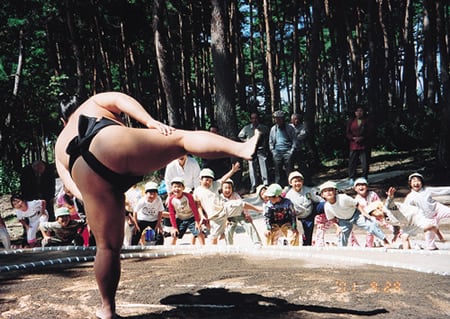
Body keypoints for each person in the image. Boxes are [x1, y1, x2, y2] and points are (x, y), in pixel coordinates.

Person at [54, 91, 260, 319]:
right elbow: (120, 100)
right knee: (181, 140)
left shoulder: (59, 143)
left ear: (63, 120)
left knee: (107, 248)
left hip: (86, 174)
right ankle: (241, 148)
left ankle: (107, 309)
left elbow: (71, 186)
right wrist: (149, 121)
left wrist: (96, 199)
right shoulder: (92, 102)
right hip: (105, 142)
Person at [193, 165, 262, 245]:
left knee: (240, 203)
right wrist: (202, 216)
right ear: (200, 179)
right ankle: (213, 252)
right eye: (206, 180)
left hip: (224, 208)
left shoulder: (214, 185)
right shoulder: (197, 191)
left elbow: (223, 179)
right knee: (213, 236)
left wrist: (232, 171)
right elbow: (198, 205)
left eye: (210, 180)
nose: (208, 182)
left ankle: (257, 209)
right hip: (214, 216)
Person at [319, 181, 390, 247]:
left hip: (355, 215)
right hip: (343, 220)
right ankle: (341, 249)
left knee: (370, 225)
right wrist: (338, 227)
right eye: (325, 191)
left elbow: (357, 204)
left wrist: (363, 213)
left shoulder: (343, 198)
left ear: (335, 191)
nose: (328, 193)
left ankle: (385, 240)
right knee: (342, 234)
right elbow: (331, 219)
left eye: (330, 190)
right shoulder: (327, 206)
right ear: (322, 195)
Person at [403, 172, 449, 250]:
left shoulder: (427, 190)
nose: (416, 183)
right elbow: (405, 208)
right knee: (429, 241)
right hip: (427, 217)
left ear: (422, 183)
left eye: (418, 181)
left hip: (437, 209)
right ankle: (431, 247)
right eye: (413, 181)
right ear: (410, 183)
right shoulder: (410, 197)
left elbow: (441, 190)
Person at [285, 171, 322, 246]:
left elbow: (316, 199)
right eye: (295, 181)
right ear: (290, 183)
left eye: (299, 181)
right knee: (305, 235)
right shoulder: (289, 196)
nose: (298, 183)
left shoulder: (308, 190)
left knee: (324, 205)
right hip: (299, 217)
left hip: (310, 211)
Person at [221, 178, 262, 246]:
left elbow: (243, 205)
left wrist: (247, 215)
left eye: (229, 188)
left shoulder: (235, 195)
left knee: (249, 225)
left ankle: (257, 242)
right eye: (225, 188)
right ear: (222, 189)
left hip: (240, 214)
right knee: (228, 230)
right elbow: (221, 210)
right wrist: (225, 220)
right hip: (229, 217)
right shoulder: (221, 198)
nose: (227, 190)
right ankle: (229, 245)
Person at [167, 177, 205, 245]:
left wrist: (197, 221)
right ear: (172, 189)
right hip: (180, 218)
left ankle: (204, 248)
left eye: (179, 187)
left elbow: (194, 209)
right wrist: (174, 227)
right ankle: (171, 248)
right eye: (174, 187)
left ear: (183, 188)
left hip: (191, 218)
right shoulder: (171, 200)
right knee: (174, 234)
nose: (176, 189)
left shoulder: (188, 196)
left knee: (199, 232)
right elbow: (172, 214)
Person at [238, 112, 270, 193]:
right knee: (252, 168)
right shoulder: (247, 128)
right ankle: (254, 185)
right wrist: (247, 142)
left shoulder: (264, 128)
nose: (254, 120)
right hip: (251, 150)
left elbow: (268, 137)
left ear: (258, 119)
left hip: (261, 150)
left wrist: (265, 144)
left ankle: (265, 184)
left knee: (264, 167)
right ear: (250, 119)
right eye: (252, 118)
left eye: (256, 118)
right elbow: (240, 136)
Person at [345, 105, 373, 187]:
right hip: (353, 144)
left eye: (361, 111)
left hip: (364, 144)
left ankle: (364, 177)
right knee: (352, 162)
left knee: (365, 162)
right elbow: (347, 132)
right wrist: (353, 138)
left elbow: (370, 132)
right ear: (355, 113)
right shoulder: (351, 121)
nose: (359, 113)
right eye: (357, 111)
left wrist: (363, 138)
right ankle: (351, 178)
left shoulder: (367, 121)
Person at [131, 181, 165, 246]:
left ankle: (159, 248)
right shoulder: (142, 201)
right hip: (142, 219)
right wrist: (135, 225)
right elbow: (135, 211)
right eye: (150, 193)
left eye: (154, 193)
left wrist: (158, 224)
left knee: (159, 233)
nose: (152, 196)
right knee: (136, 233)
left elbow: (160, 211)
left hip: (154, 220)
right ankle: (133, 247)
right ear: (146, 193)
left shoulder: (158, 200)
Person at [269, 110, 296, 186]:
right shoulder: (273, 129)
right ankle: (278, 188)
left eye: (280, 118)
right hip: (277, 152)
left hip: (287, 151)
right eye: (276, 118)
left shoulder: (290, 128)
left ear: (283, 119)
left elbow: (294, 140)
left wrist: (291, 151)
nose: (278, 120)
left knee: (289, 171)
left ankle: (291, 186)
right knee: (278, 172)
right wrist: (273, 151)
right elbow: (270, 142)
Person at [290, 113, 311, 185]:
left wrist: (293, 136)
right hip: (289, 150)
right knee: (290, 167)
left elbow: (303, 135)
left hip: (300, 150)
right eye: (295, 119)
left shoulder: (303, 126)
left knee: (303, 167)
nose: (296, 121)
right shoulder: (289, 127)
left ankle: (307, 181)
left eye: (297, 119)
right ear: (291, 120)